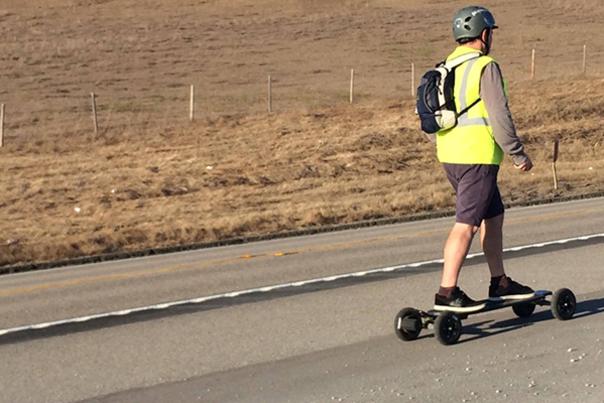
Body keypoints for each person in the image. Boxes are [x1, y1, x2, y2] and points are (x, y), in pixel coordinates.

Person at [432, 6, 535, 312]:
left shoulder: (445, 68)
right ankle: (446, 291)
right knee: (466, 225)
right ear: (484, 34)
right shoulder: (485, 66)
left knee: (493, 215)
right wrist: (517, 154)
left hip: (450, 155)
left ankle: (499, 281)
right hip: (478, 157)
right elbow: (499, 115)